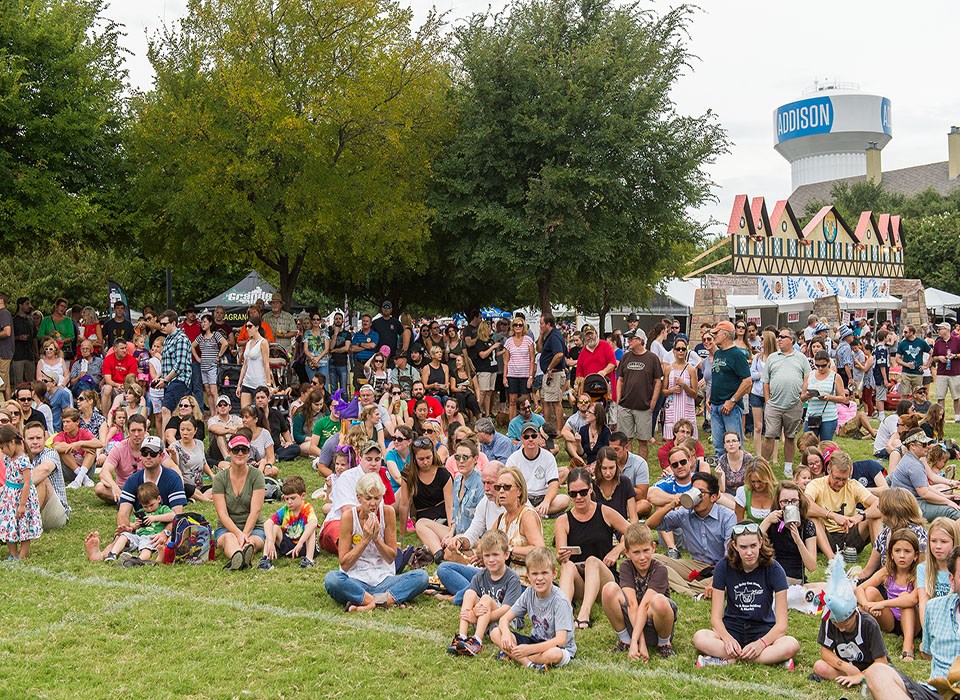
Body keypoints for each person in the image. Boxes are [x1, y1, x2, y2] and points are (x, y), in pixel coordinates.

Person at [692, 521, 800, 668]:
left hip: (763, 629)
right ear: (734, 546)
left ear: (761, 543)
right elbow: (715, 619)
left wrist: (761, 644)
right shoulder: (723, 567)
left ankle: (728, 659)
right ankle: (770, 659)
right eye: (743, 547)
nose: (749, 552)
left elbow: (781, 625)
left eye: (753, 546)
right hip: (732, 628)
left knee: (791, 644)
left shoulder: (775, 569)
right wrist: (727, 639)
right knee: (700, 637)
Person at [863, 546, 960, 700]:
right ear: (952, 580)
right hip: (935, 692)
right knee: (877, 673)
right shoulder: (934, 607)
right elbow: (927, 652)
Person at [323, 472, 429, 611]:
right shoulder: (349, 516)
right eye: (368, 498)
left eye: (377, 498)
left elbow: (391, 557)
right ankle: (383, 600)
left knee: (421, 577)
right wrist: (365, 540)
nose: (373, 504)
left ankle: (369, 603)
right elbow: (345, 563)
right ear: (358, 497)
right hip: (356, 579)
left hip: (384, 579)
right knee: (332, 579)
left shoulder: (387, 512)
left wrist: (376, 539)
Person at [555, 467, 630, 629]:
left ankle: (584, 613)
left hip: (605, 581)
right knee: (567, 565)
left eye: (582, 492)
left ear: (590, 489)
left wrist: (616, 550)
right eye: (573, 494)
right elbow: (560, 557)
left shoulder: (605, 512)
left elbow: (635, 534)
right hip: (580, 581)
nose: (578, 497)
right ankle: (564, 612)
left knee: (592, 561)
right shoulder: (563, 521)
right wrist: (562, 556)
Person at [646, 471, 736, 597]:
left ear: (713, 497)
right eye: (693, 491)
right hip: (696, 566)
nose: (696, 496)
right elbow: (651, 525)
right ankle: (692, 591)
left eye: (701, 492)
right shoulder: (685, 513)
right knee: (653, 559)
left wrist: (717, 579)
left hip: (721, 567)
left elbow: (730, 555)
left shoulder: (727, 516)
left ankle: (681, 586)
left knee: (730, 580)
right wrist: (671, 504)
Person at [491, 546, 577, 672]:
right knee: (495, 633)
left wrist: (528, 650)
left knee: (554, 655)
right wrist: (505, 634)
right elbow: (504, 618)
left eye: (544, 573)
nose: (539, 578)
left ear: (554, 574)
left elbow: (561, 640)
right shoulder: (529, 593)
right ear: (528, 576)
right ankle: (530, 664)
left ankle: (513, 656)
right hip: (535, 640)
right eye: (535, 574)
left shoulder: (560, 601)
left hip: (557, 647)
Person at [600, 523, 678, 659]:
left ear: (653, 547)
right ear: (627, 553)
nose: (642, 557)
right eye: (636, 552)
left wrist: (639, 642)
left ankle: (664, 644)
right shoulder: (626, 566)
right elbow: (631, 604)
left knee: (659, 600)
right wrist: (637, 642)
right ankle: (625, 641)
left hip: (655, 624)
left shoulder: (660, 570)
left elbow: (645, 605)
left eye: (646, 550)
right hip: (634, 622)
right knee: (609, 589)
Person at [813, 555, 891, 689]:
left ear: (855, 613)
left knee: (883, 673)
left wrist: (860, 675)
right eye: (838, 625)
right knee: (819, 667)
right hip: (848, 665)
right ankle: (854, 678)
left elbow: (881, 662)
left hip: (872, 667)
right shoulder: (829, 619)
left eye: (845, 624)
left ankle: (863, 678)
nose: (841, 629)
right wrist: (846, 667)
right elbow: (825, 652)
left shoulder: (869, 624)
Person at [445, 530, 523, 658]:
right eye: (487, 555)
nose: (491, 560)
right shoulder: (479, 576)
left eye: (495, 554)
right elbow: (474, 601)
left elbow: (507, 609)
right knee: (469, 593)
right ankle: (461, 637)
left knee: (486, 598)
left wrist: (475, 617)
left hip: (507, 620)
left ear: (506, 555)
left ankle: (477, 641)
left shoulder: (512, 579)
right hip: (485, 617)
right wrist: (474, 612)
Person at [855, 528, 921, 661]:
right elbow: (859, 589)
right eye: (897, 551)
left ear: (915, 555)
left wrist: (880, 604)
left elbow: (913, 599)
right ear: (891, 554)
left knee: (905, 599)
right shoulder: (887, 571)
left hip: (913, 623)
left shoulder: (917, 573)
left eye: (907, 551)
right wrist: (867, 605)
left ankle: (908, 647)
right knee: (870, 592)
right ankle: (863, 637)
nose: (901, 555)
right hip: (890, 622)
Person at [805, 450, 881, 557]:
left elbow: (880, 505)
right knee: (813, 518)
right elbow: (805, 506)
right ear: (828, 470)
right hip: (825, 536)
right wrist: (832, 515)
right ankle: (832, 558)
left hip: (849, 534)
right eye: (836, 478)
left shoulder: (853, 485)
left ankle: (880, 559)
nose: (840, 483)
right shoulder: (816, 484)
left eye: (844, 479)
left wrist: (860, 517)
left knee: (874, 516)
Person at [212, 434, 266, 571]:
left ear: (249, 453)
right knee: (229, 538)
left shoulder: (257, 475)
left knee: (252, 541)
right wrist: (238, 534)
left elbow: (256, 511)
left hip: (254, 528)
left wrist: (245, 534)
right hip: (227, 528)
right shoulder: (219, 479)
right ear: (229, 452)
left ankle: (240, 555)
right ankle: (239, 556)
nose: (240, 453)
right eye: (236, 450)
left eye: (244, 450)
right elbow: (222, 514)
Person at [760, 327, 808, 477]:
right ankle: (763, 466)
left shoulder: (801, 358)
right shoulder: (772, 358)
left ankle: (788, 467)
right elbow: (765, 381)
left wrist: (801, 396)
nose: (779, 339)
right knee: (769, 435)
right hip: (774, 404)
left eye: (782, 337)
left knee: (790, 436)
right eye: (778, 336)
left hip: (794, 404)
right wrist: (767, 401)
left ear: (792, 340)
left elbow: (807, 376)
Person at [396, 438, 452, 565]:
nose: (426, 462)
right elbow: (404, 503)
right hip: (424, 518)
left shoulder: (443, 474)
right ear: (414, 458)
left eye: (428, 457)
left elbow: (450, 506)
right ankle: (439, 553)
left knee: (421, 525)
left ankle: (438, 552)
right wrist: (402, 532)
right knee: (421, 525)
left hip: (442, 519)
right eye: (421, 459)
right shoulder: (409, 474)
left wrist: (451, 528)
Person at [91, 481, 174, 564]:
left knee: (146, 547)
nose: (149, 509)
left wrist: (155, 518)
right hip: (138, 536)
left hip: (152, 538)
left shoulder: (163, 509)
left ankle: (138, 560)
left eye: (151, 505)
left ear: (158, 499)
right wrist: (135, 525)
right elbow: (130, 524)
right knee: (124, 536)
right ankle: (113, 554)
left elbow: (173, 516)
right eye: (145, 506)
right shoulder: (141, 512)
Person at [887, 429, 960, 521]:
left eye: (928, 444)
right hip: (910, 507)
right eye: (924, 445)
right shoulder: (914, 465)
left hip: (907, 503)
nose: (928, 447)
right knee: (953, 511)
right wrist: (947, 502)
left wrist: (945, 497)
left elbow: (927, 487)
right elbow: (925, 494)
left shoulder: (911, 459)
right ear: (912, 446)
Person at [505, 421, 569, 517]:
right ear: (522, 439)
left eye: (533, 436)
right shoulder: (513, 459)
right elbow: (509, 485)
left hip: (542, 496)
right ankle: (538, 513)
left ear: (538, 437)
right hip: (522, 497)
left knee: (565, 500)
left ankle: (530, 513)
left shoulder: (548, 457)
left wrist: (546, 501)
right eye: (526, 437)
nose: (530, 439)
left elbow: (553, 483)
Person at [616, 328, 662, 461]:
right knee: (626, 439)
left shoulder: (652, 358)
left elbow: (658, 380)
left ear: (640, 340)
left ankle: (642, 468)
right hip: (626, 404)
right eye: (628, 339)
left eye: (632, 339)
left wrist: (653, 400)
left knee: (643, 440)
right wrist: (618, 398)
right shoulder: (626, 357)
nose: (629, 341)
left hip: (644, 405)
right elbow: (621, 379)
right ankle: (629, 466)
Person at [707, 320, 751, 455]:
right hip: (715, 405)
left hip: (730, 408)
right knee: (718, 445)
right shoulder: (718, 353)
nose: (714, 336)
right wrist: (709, 397)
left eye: (716, 333)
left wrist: (732, 401)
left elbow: (747, 381)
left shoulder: (737, 355)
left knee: (734, 445)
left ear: (725, 335)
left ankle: (740, 473)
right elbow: (718, 377)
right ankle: (722, 474)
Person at [760, 480, 817, 584]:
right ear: (778, 502)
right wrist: (767, 521)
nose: (790, 505)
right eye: (785, 501)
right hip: (773, 577)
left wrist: (798, 541)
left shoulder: (807, 525)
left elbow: (812, 566)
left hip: (796, 580)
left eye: (794, 501)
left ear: (800, 501)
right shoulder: (772, 522)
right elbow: (752, 542)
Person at [0, 425, 43, 560]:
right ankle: (12, 554)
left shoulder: (23, 461)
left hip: (22, 497)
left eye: (3, 447)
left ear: (12, 442)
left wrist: (22, 504)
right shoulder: (8, 459)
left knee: (24, 525)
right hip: (9, 498)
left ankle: (22, 555)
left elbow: (27, 483)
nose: (2, 451)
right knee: (8, 525)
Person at [259, 475, 318, 570]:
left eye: (292, 498)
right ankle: (266, 558)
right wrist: (270, 540)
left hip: (303, 545)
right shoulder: (285, 509)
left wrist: (300, 543)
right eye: (286, 499)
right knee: (274, 527)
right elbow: (267, 523)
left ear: (303, 496)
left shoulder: (307, 508)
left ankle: (309, 559)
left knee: (311, 528)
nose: (289, 502)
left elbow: (313, 523)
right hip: (288, 544)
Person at [24, 421, 69, 531]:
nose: (35, 442)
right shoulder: (21, 458)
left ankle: (26, 524)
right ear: (24, 440)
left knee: (42, 479)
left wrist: (16, 488)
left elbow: (45, 469)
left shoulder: (50, 453)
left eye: (38, 438)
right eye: (31, 438)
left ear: (45, 439)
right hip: (29, 505)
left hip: (56, 514)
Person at [155, 309, 193, 433]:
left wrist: (165, 380)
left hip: (179, 381)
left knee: (167, 410)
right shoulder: (167, 339)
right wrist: (159, 377)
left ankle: (165, 443)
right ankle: (171, 439)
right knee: (174, 413)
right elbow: (166, 363)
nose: (162, 327)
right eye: (160, 324)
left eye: (164, 324)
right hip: (170, 380)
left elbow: (179, 365)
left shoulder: (181, 339)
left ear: (174, 323)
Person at [917, 518, 960, 624]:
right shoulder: (923, 568)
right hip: (933, 620)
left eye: (944, 541)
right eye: (933, 541)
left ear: (955, 542)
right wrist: (927, 632)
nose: (938, 546)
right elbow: (923, 603)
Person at [53, 408, 103, 489]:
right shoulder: (61, 435)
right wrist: (78, 447)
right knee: (63, 451)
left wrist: (80, 444)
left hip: (87, 470)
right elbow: (56, 447)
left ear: (77, 422)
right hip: (70, 472)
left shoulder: (84, 432)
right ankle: (82, 478)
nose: (65, 425)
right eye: (63, 422)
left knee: (92, 449)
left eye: (68, 422)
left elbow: (99, 443)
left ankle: (80, 478)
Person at [662, 334, 698, 442]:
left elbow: (695, 394)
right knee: (670, 439)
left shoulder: (691, 369)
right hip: (672, 407)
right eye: (678, 349)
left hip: (686, 407)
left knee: (688, 439)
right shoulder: (668, 368)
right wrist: (671, 390)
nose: (681, 351)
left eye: (683, 349)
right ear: (674, 351)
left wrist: (685, 386)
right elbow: (663, 391)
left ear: (686, 351)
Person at [802, 350, 845, 440]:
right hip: (811, 416)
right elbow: (801, 398)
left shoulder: (835, 377)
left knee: (825, 445)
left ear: (829, 363)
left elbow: (842, 398)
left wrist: (830, 397)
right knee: (808, 444)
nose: (820, 368)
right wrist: (807, 395)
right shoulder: (809, 375)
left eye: (823, 365)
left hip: (829, 417)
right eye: (817, 365)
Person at [169, 416, 211, 502]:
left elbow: (204, 463)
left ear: (195, 431)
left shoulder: (200, 444)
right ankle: (206, 499)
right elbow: (174, 467)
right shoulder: (175, 446)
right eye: (182, 429)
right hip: (185, 486)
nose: (185, 433)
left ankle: (197, 497)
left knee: (218, 487)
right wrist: (173, 454)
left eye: (188, 430)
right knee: (187, 488)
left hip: (199, 485)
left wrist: (212, 476)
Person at [193, 313, 228, 415]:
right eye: (202, 322)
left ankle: (218, 413)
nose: (203, 324)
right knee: (207, 391)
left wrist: (219, 355)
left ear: (210, 323)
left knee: (213, 391)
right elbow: (192, 346)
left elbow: (225, 343)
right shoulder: (201, 336)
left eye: (205, 322)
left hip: (213, 366)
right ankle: (212, 413)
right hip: (203, 366)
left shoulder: (216, 334)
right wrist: (197, 358)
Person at [538, 313, 567, 432]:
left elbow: (559, 354)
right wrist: (540, 336)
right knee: (545, 401)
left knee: (556, 402)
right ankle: (547, 427)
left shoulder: (555, 336)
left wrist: (550, 368)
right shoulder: (548, 336)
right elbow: (539, 349)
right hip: (549, 374)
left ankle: (560, 429)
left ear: (548, 324)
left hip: (554, 374)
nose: (540, 326)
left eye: (541, 324)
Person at [592, 447, 637, 522]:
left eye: (611, 468)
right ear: (599, 467)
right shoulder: (591, 484)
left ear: (617, 465)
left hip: (621, 529)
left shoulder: (625, 482)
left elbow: (633, 517)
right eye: (604, 468)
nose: (608, 473)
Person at [503, 316, 535, 421]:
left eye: (520, 325)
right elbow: (506, 360)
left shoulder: (528, 340)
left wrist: (531, 377)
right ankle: (512, 424)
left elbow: (532, 359)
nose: (518, 327)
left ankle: (528, 421)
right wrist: (504, 376)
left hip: (525, 374)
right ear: (512, 327)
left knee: (526, 400)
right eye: (515, 325)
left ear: (523, 326)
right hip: (512, 374)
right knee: (512, 400)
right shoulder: (508, 342)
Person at [236, 318, 271, 409]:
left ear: (257, 327)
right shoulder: (248, 343)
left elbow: (266, 364)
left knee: (260, 413)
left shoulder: (263, 342)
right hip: (247, 382)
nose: (247, 329)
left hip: (259, 383)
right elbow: (245, 365)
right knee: (245, 412)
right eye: (246, 326)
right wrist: (239, 384)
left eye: (250, 326)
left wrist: (268, 384)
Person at [734, 457, 777, 524]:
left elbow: (783, 521)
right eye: (753, 481)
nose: (757, 485)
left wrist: (780, 530)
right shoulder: (744, 492)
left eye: (760, 481)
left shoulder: (777, 492)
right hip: (752, 533)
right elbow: (738, 522)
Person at [895, 324, 931, 396]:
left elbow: (932, 353)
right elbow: (897, 358)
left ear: (911, 332)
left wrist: (926, 366)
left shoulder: (921, 342)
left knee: (917, 394)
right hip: (906, 372)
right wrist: (906, 364)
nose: (903, 334)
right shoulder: (902, 343)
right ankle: (904, 407)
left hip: (918, 372)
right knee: (904, 394)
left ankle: (916, 407)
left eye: (905, 332)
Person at [350, 314, 379, 391]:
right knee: (357, 384)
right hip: (358, 363)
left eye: (367, 321)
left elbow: (372, 346)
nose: (365, 323)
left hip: (370, 363)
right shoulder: (357, 335)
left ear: (370, 323)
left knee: (371, 383)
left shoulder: (374, 334)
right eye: (363, 321)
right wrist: (366, 347)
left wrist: (360, 344)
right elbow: (352, 348)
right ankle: (357, 401)